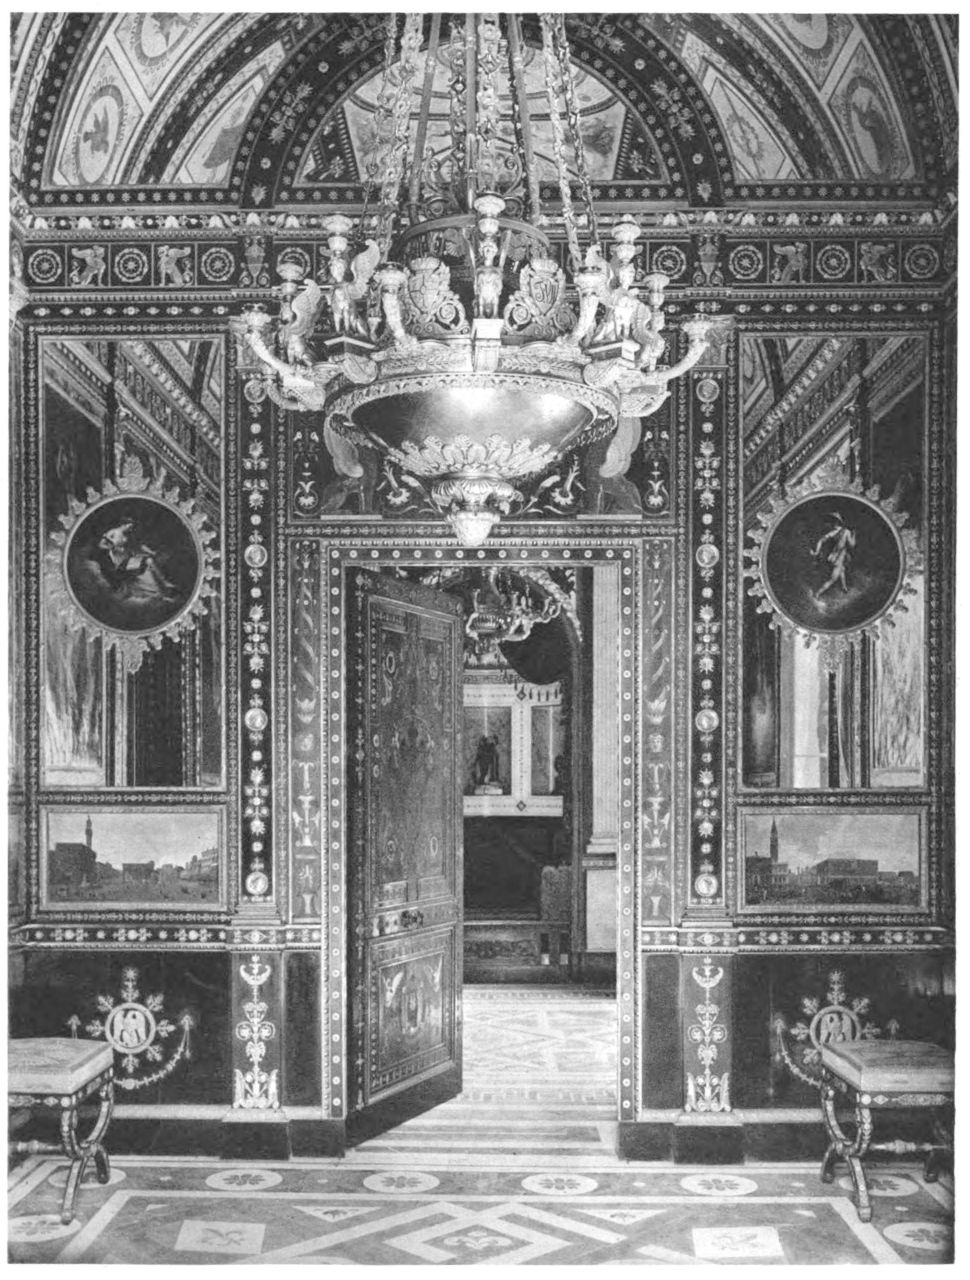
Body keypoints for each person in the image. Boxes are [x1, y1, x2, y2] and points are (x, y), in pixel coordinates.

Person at [811, 511, 856, 599]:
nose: (830, 523)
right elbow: (852, 545)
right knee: (832, 579)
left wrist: (816, 551)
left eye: (831, 521)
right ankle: (817, 594)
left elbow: (821, 540)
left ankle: (844, 587)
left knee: (842, 569)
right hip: (838, 559)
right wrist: (854, 534)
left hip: (832, 557)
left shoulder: (833, 532)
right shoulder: (846, 532)